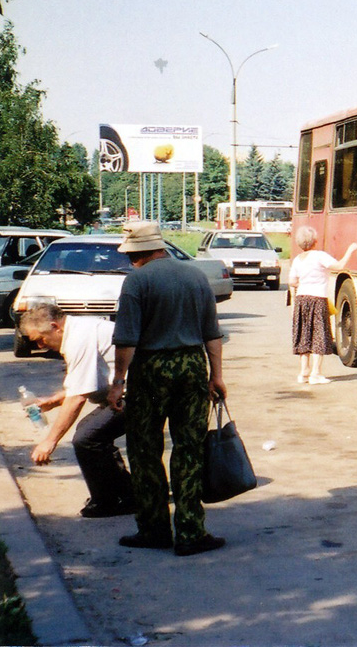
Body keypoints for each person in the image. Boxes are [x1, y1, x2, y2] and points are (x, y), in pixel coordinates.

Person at [106, 221, 227, 557]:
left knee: (145, 450)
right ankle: (190, 532)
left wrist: (118, 383)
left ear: (138, 253)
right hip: (192, 367)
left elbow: (126, 340)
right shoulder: (195, 277)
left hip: (151, 370)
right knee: (190, 449)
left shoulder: (136, 281)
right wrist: (216, 376)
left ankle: (154, 529)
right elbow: (212, 334)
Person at [18, 305, 134, 518]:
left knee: (87, 437)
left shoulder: (79, 337)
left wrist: (49, 442)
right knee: (89, 433)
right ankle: (123, 493)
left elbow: (78, 398)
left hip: (137, 393)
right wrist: (53, 401)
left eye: (40, 339)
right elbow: (81, 384)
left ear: (55, 327)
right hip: (121, 393)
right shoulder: (76, 331)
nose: (40, 345)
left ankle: (109, 500)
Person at [289, 226, 357, 385]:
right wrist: (350, 250)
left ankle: (303, 372)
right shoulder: (320, 256)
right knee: (319, 334)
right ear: (315, 241)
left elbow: (292, 281)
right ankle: (316, 373)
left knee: (304, 335)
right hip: (318, 298)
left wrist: (303, 283)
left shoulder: (298, 260)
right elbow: (339, 266)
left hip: (301, 299)